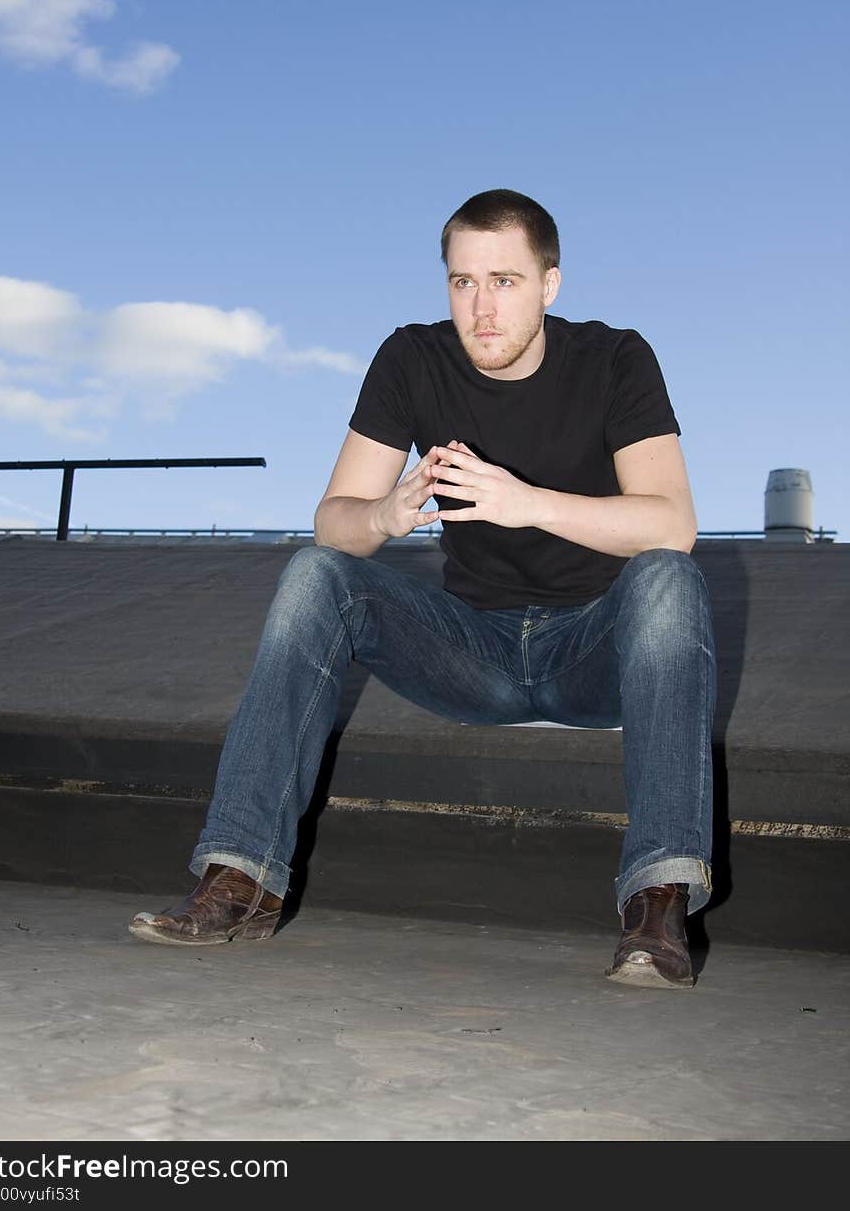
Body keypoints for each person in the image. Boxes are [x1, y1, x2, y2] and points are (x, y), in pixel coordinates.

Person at [130, 189, 716, 989]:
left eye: (504, 282)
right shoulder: (411, 358)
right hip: (470, 649)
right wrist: (386, 510)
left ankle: (656, 903)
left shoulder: (615, 359)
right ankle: (243, 877)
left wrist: (524, 501)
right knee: (316, 574)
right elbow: (331, 524)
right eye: (462, 282)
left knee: (668, 578)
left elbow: (672, 522)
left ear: (549, 285)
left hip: (594, 647)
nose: (481, 309)